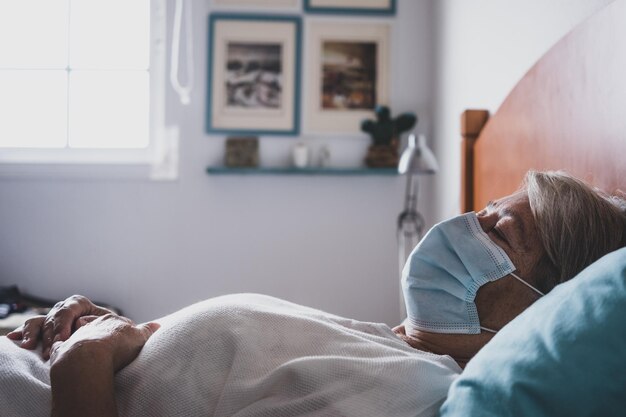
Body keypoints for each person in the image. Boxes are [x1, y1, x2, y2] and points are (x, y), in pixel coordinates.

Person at [3, 171, 626, 417]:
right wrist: (110, 328)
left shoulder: (406, 392)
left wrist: (85, 357)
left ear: (540, 308)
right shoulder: (382, 347)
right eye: (482, 209)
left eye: (500, 231)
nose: (462, 225)